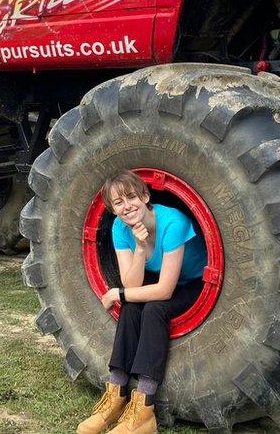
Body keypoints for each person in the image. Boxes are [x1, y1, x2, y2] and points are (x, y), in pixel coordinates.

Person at [78, 170, 207, 434]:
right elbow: (133, 285)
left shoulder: (173, 222)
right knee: (132, 305)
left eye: (131, 197)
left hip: (196, 281)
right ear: (113, 210)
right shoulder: (119, 228)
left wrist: (118, 294)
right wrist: (139, 247)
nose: (127, 206)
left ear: (146, 196)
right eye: (119, 202)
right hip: (165, 280)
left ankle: (144, 408)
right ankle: (116, 395)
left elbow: (164, 291)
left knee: (154, 308)